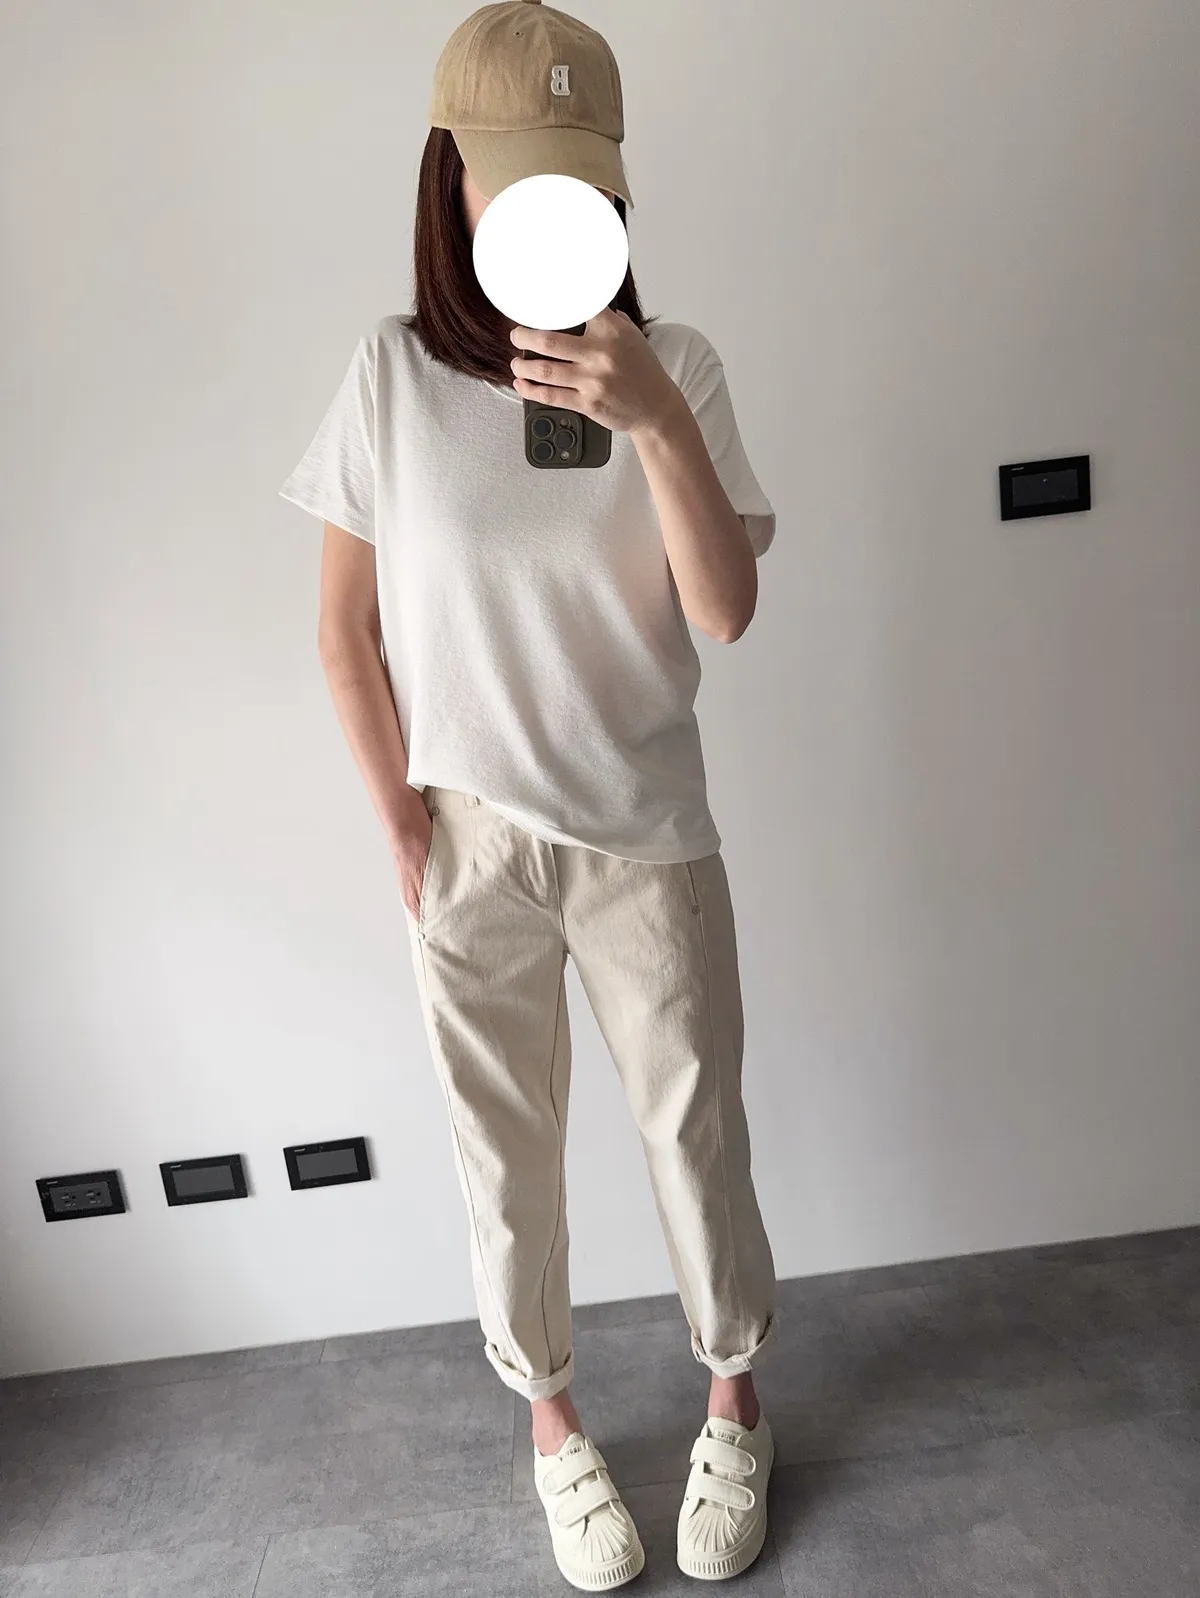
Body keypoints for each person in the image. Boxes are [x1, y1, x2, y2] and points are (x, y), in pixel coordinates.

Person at [279, 1, 779, 1587]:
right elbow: (342, 631)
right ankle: (555, 1427)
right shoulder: (392, 376)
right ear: (453, 177)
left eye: (583, 177)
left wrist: (653, 421)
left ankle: (735, 1401)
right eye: (519, 175)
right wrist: (402, 821)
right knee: (504, 1159)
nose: (555, 206)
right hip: (473, 844)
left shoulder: (678, 366)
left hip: (647, 836)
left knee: (696, 1137)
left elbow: (724, 613)